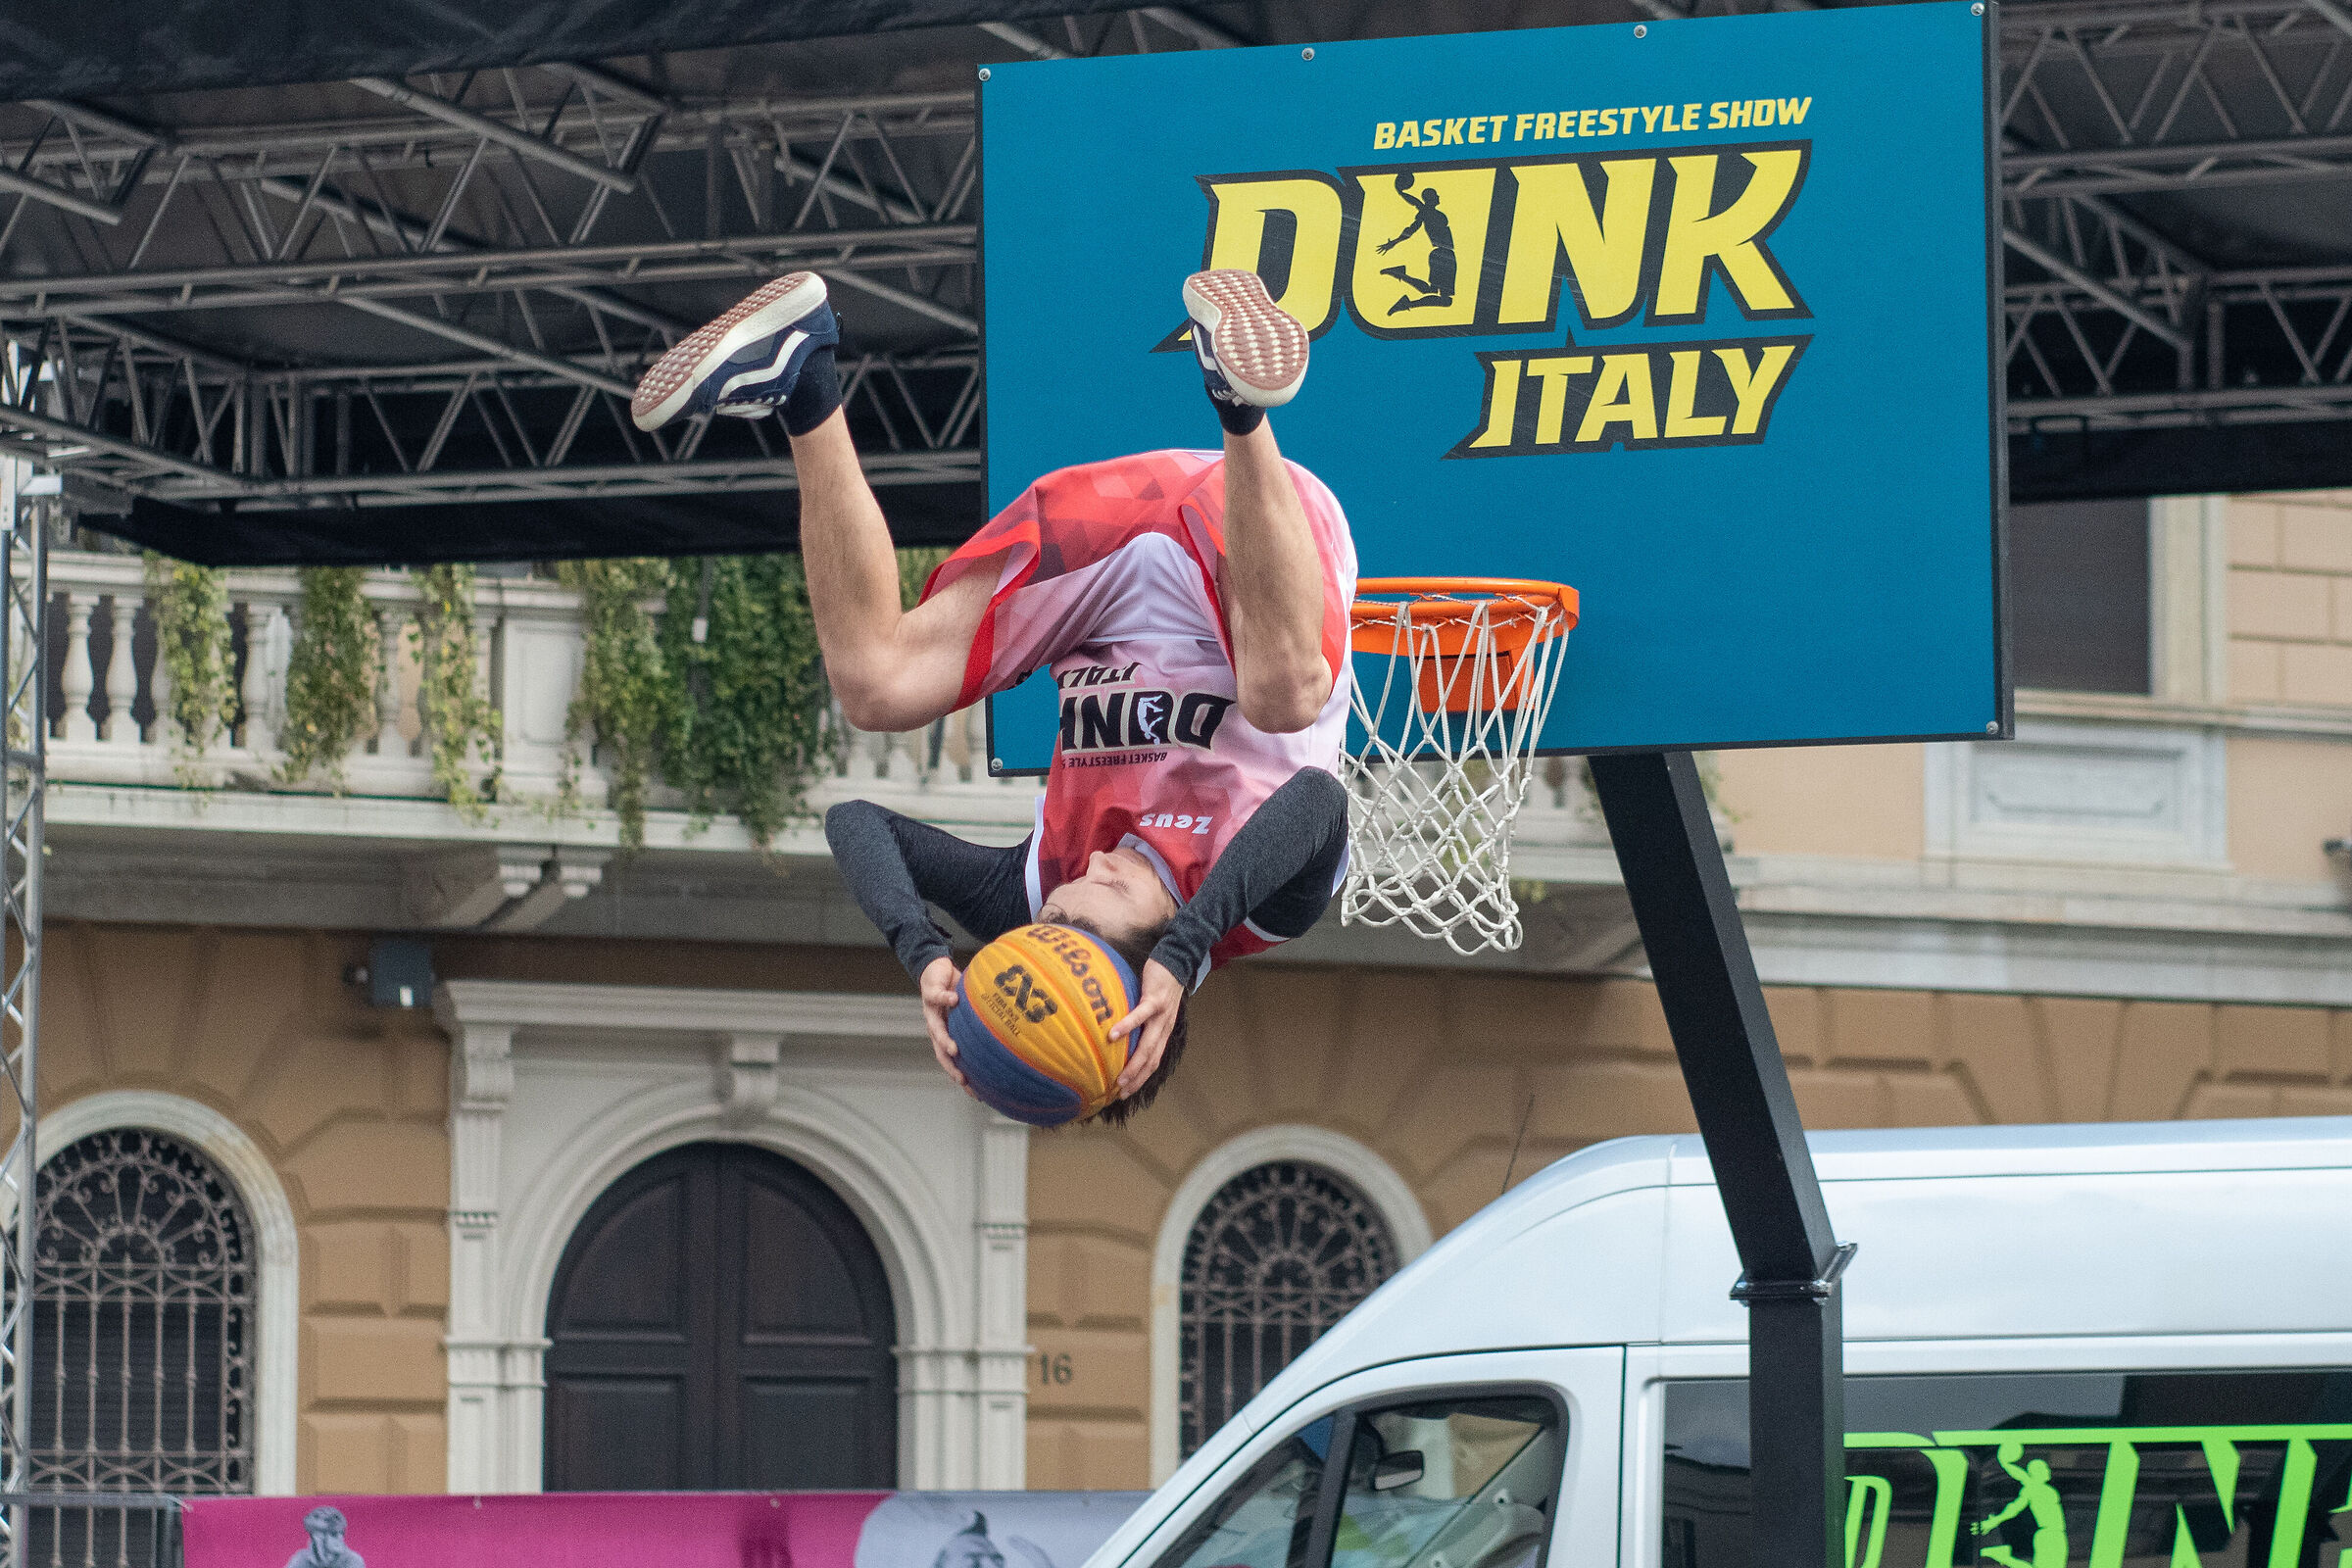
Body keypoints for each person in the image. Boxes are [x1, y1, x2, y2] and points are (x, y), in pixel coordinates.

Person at [631, 268, 1355, 1122]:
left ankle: (801, 374)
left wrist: (927, 955)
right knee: (1282, 698)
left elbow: (857, 823)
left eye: (1055, 899)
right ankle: (1239, 399)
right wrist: (1187, 949)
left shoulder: (1040, 886)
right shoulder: (1257, 909)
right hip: (1251, 536)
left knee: (876, 682)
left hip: (1104, 559)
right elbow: (1317, 802)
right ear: (1144, 965)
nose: (1086, 863)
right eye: (1100, 890)